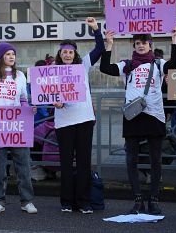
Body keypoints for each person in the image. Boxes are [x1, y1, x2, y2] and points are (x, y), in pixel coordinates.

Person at [100, 25, 176, 215]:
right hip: (133, 115)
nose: (141, 45)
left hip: (154, 115)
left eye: (144, 42)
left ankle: (154, 199)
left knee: (156, 160)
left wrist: (174, 39)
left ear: (150, 45)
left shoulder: (159, 64)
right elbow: (105, 68)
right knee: (131, 159)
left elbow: (175, 64)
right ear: (134, 46)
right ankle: (137, 200)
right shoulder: (127, 65)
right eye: (137, 43)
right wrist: (109, 44)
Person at [0, 42, 38, 215]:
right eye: (8, 54)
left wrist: (29, 109)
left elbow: (24, 98)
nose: (11, 57)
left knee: (23, 165)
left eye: (13, 54)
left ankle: (27, 201)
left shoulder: (20, 75)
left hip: (17, 126)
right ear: (1, 56)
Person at [52, 17, 104, 214]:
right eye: (64, 52)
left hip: (84, 120)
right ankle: (66, 201)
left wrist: (95, 29)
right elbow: (46, 94)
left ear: (75, 54)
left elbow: (99, 48)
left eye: (70, 52)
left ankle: (83, 202)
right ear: (60, 54)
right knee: (65, 163)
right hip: (63, 121)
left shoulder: (83, 65)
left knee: (83, 162)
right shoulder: (52, 71)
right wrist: (53, 102)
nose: (67, 55)